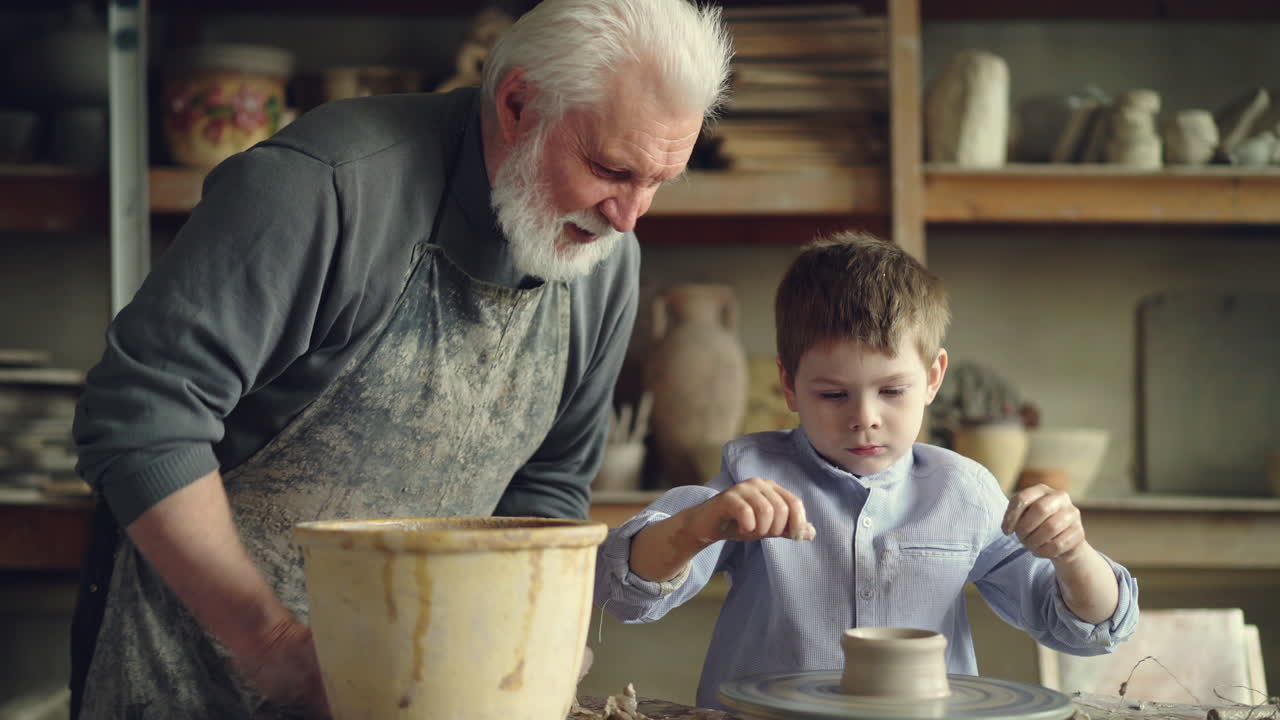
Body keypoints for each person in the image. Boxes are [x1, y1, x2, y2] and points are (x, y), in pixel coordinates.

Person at [68, 1, 732, 717]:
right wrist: (274, 647)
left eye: (660, 179)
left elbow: (547, 485)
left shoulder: (607, 258)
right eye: (610, 168)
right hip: (191, 679)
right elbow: (141, 419)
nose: (630, 216)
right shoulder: (323, 188)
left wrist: (531, 645)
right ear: (517, 103)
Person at [594, 232, 1139, 710]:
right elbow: (626, 590)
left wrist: (1072, 554)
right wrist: (697, 526)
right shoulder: (752, 473)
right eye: (833, 394)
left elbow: (1086, 629)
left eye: (892, 391)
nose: (864, 419)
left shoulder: (964, 492)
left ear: (932, 377)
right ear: (788, 385)